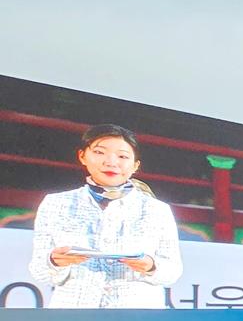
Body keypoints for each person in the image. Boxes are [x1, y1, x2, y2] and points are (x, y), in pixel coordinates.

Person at [29, 124, 182, 308]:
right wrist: (54, 261)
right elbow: (39, 271)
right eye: (100, 152)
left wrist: (150, 266)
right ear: (82, 156)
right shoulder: (55, 203)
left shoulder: (157, 209)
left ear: (135, 166)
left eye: (123, 156)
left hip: (138, 320)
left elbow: (172, 272)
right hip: (72, 318)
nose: (111, 162)